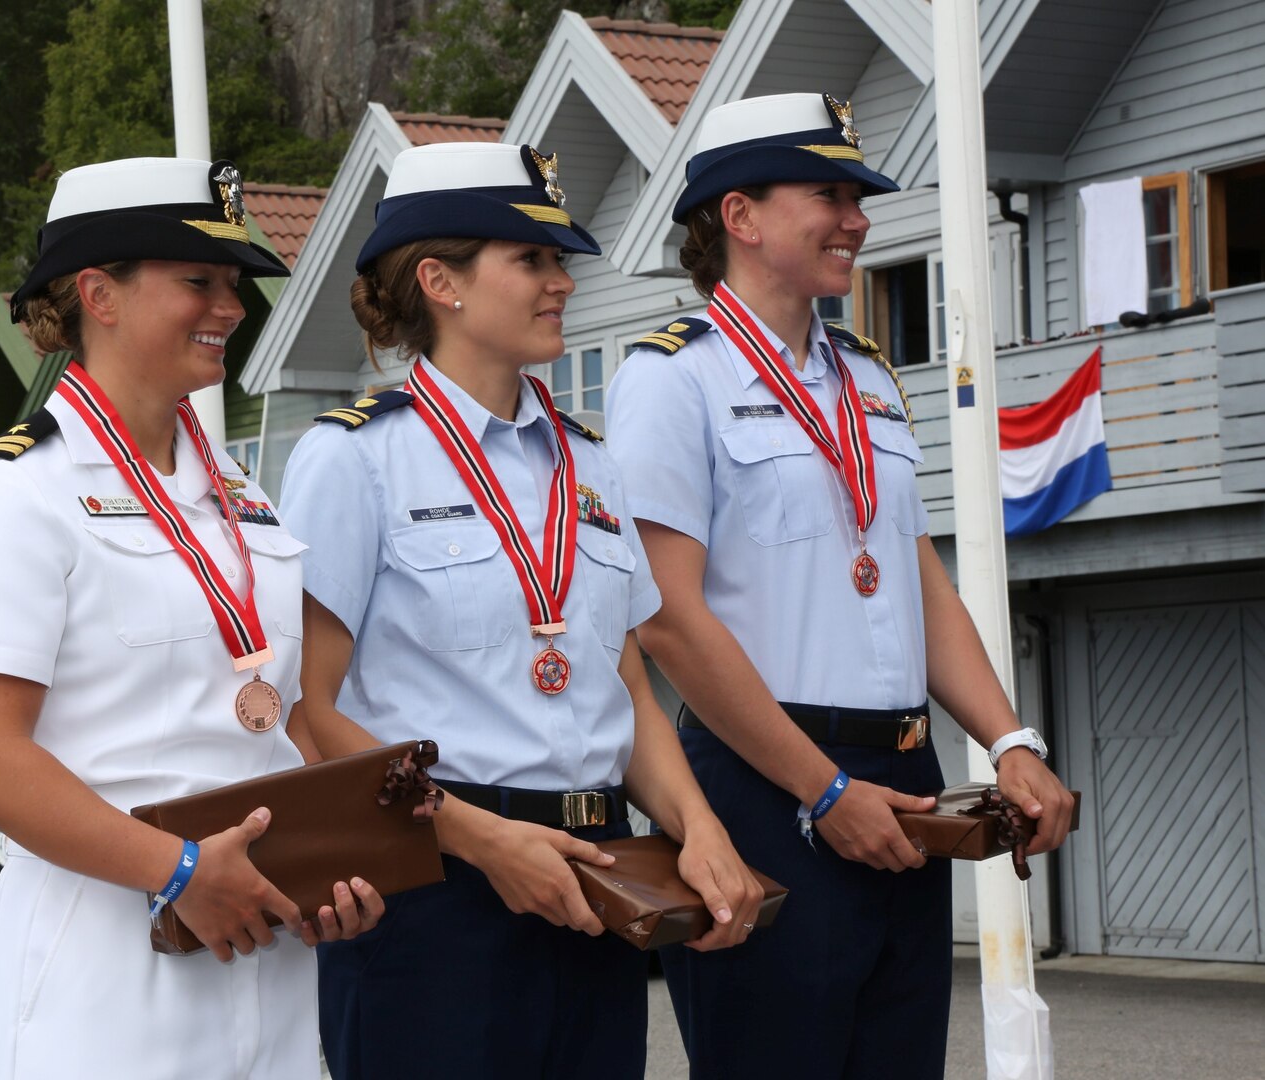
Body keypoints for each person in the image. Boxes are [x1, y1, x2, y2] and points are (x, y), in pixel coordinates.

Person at [604, 93, 1077, 1079]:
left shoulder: (865, 375)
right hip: (767, 789)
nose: (857, 217)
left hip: (906, 784)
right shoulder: (671, 378)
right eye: (828, 192)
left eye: (857, 194)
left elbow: (916, 579)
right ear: (740, 217)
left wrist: (1010, 741)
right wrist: (821, 790)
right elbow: (669, 620)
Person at [278, 142, 762, 1080]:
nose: (561, 283)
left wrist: (699, 828)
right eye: (532, 259)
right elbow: (308, 709)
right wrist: (480, 840)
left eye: (561, 261)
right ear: (439, 281)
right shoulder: (353, 459)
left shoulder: (591, 462)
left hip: (597, 880)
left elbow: (625, 686)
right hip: (435, 888)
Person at [0, 156, 383, 1080]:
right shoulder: (21, 493)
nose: (231, 306)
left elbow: (277, 717)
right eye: (199, 281)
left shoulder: (240, 494)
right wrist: (178, 870)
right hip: (101, 967)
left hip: (267, 957)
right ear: (98, 293)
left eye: (235, 284)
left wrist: (337, 865)